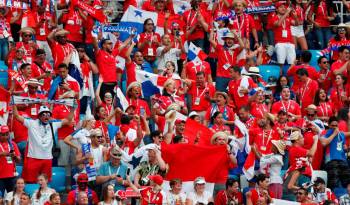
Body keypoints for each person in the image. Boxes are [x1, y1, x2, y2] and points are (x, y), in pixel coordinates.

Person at [12, 104, 76, 183]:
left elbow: (68, 119)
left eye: (48, 114)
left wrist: (73, 108)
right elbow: (17, 116)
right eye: (44, 114)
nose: (46, 116)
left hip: (47, 158)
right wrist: (14, 104)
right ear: (39, 116)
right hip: (33, 157)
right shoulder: (31, 123)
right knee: (30, 181)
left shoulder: (53, 123)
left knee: (45, 182)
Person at [320, 117, 350, 190]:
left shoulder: (341, 134)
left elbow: (343, 146)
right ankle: (333, 199)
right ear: (329, 125)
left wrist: (345, 148)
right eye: (332, 125)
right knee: (333, 183)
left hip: (343, 160)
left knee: (348, 182)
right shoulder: (326, 132)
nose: (334, 127)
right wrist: (334, 134)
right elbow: (323, 143)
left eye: (336, 126)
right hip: (331, 160)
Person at [273, 2, 297, 73]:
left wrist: (295, 17)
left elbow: (297, 24)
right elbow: (278, 24)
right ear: (277, 9)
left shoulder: (288, 18)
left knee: (293, 63)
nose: (283, 8)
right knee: (281, 64)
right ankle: (280, 80)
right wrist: (286, 13)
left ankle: (292, 80)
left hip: (290, 43)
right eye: (281, 7)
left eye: (284, 7)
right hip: (280, 43)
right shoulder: (274, 18)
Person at [0, 125, 20, 197]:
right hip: (0, 176)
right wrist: (2, 153)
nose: (5, 137)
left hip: (11, 176)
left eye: (6, 134)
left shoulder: (13, 144)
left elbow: (18, 160)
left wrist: (14, 156)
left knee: (11, 197)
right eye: (2, 135)